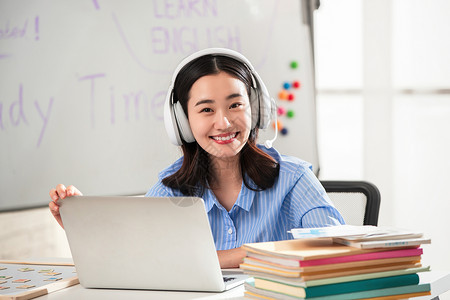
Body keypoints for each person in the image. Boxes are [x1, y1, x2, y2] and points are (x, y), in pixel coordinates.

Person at [49, 48, 344, 268]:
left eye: (235, 105)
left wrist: (222, 258)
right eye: (206, 110)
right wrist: (79, 220)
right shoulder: (169, 191)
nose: (224, 123)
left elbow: (336, 248)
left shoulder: (293, 179)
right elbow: (130, 258)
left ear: (255, 108)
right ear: (182, 122)